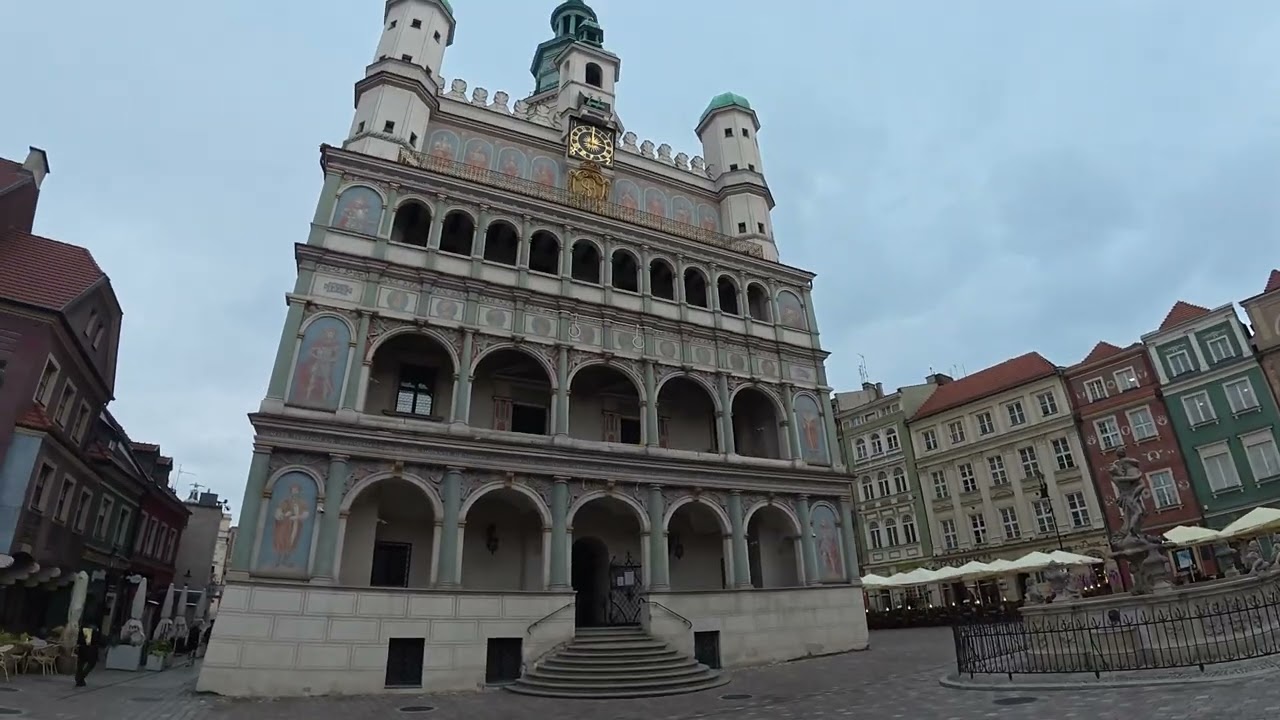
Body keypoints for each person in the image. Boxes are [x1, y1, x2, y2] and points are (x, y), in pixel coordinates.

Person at [74, 623, 105, 687]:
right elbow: (90, 641)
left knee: (81, 663)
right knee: (90, 663)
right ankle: (80, 678)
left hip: (83, 648)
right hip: (90, 649)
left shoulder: (84, 627)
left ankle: (79, 678)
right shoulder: (92, 629)